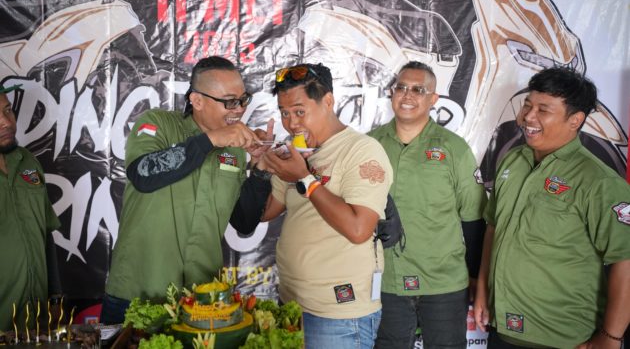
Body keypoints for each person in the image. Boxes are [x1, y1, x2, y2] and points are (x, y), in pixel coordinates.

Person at [102, 57, 272, 323]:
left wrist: (260, 170)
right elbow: (143, 174)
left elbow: (243, 221)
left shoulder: (235, 150)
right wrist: (210, 140)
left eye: (243, 100)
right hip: (138, 292)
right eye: (230, 101)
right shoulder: (157, 123)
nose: (239, 109)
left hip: (201, 298)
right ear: (197, 100)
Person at [474, 67, 630, 347]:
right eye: (528, 105)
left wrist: (610, 337)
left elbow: (626, 259)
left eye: (543, 110)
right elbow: (493, 227)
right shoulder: (512, 160)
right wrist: (483, 290)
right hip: (503, 328)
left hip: (562, 338)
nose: (528, 116)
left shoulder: (599, 181)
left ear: (575, 120)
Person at [257, 63, 393, 349]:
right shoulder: (295, 151)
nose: (291, 123)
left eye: (299, 112)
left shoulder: (361, 150)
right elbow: (266, 211)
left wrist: (305, 178)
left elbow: (358, 230)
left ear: (328, 102)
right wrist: (260, 165)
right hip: (291, 302)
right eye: (284, 113)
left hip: (338, 313)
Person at [368, 62, 487, 349]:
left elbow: (473, 219)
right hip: (386, 281)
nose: (407, 95)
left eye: (418, 90)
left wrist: (474, 275)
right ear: (392, 93)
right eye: (401, 87)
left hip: (443, 284)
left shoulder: (454, 148)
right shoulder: (369, 145)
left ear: (433, 99)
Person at [0, 84, 61, 331]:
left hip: (36, 321)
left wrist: (55, 295)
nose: (6, 123)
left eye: (8, 110)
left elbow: (45, 232)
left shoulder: (28, 162)